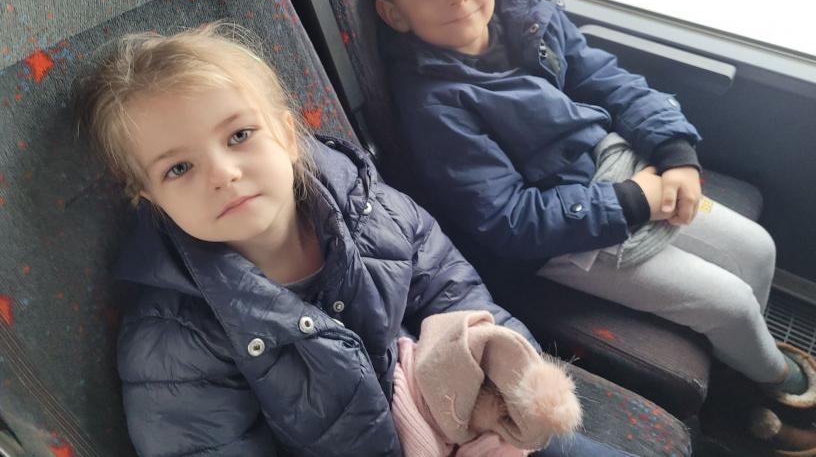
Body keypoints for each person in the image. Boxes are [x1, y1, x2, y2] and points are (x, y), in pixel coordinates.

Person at [367, 0, 816, 457]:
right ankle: (765, 387)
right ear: (394, 13)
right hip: (564, 238)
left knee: (759, 250)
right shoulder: (435, 103)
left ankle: (741, 364)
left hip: (614, 165)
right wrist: (634, 200)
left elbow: (606, 79)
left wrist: (674, 152)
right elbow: (510, 219)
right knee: (731, 303)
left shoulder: (525, 15)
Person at [73, 23, 634, 457]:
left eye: (239, 135)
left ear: (287, 136)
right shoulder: (175, 337)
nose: (222, 173)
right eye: (178, 169)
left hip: (455, 412)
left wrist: (508, 377)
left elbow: (452, 289)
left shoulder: (371, 208)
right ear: (150, 198)